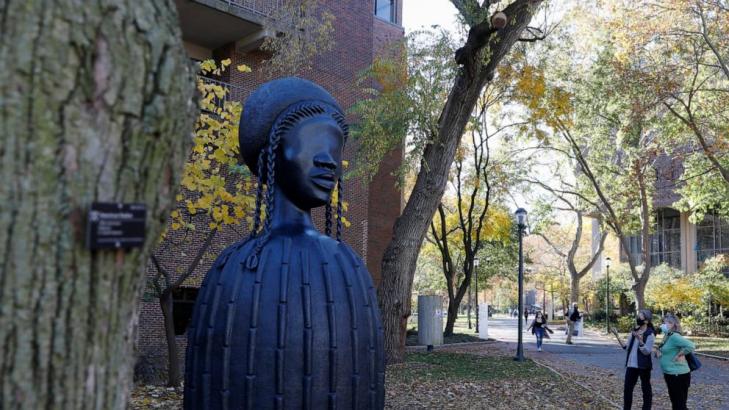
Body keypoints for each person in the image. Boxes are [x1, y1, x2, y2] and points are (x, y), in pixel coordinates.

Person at [656, 314, 695, 410]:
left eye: (667, 322)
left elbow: (691, 345)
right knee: (676, 403)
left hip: (678, 374)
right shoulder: (667, 335)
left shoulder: (674, 336)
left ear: (674, 325)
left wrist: (679, 355)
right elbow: (667, 349)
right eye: (664, 322)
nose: (664, 325)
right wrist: (659, 351)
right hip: (670, 373)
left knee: (679, 404)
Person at [621, 309, 656, 410]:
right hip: (631, 365)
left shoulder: (650, 334)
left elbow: (647, 351)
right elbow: (627, 347)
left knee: (646, 389)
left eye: (640, 317)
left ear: (646, 321)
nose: (637, 318)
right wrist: (618, 336)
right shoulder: (634, 331)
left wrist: (640, 341)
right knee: (627, 389)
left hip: (643, 365)